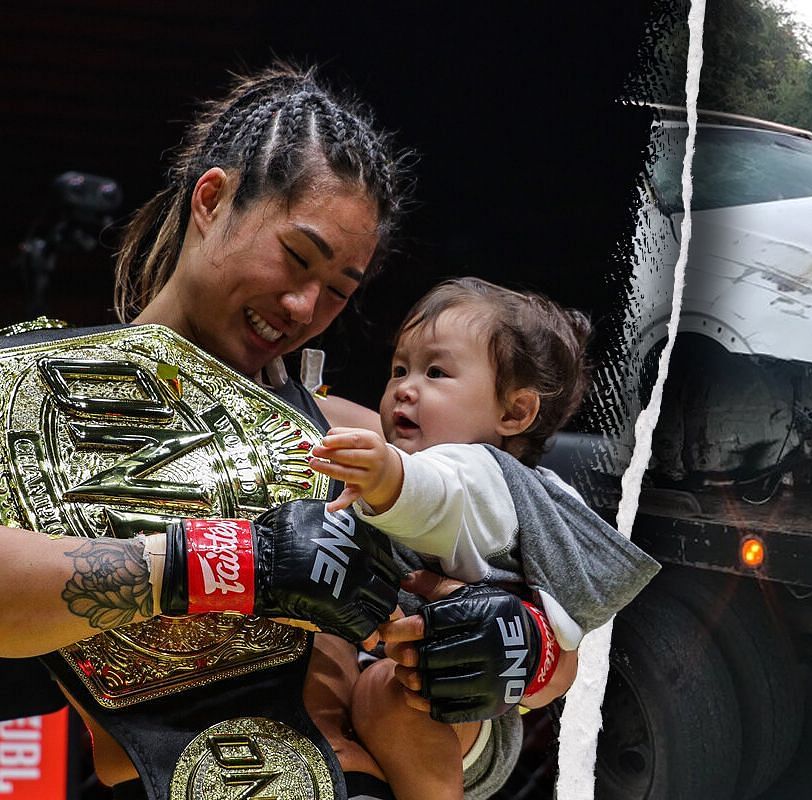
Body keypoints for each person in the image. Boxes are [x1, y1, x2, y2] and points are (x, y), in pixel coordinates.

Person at [0, 63, 554, 800]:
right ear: (213, 198)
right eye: (297, 258)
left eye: (338, 291)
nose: (303, 306)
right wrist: (231, 561)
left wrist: (518, 650)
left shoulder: (349, 436)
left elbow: (564, 595)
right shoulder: (26, 388)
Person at [307, 277, 660, 799]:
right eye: (399, 369)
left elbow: (436, 495)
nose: (405, 386)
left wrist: (386, 477)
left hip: (451, 713)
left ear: (514, 413)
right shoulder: (510, 481)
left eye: (436, 372)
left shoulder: (480, 474)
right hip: (428, 698)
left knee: (388, 691)